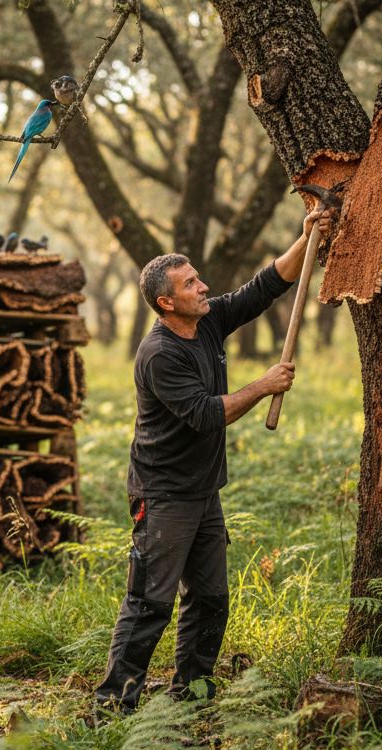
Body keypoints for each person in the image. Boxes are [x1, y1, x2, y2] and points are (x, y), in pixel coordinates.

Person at [93, 207, 334, 714]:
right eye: (190, 283)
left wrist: (306, 235)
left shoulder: (206, 323)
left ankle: (192, 694)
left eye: (199, 278)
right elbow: (205, 414)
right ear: (166, 301)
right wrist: (264, 384)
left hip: (204, 493)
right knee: (149, 604)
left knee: (209, 600)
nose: (203, 287)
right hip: (164, 497)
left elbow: (264, 286)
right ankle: (113, 707)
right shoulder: (161, 353)